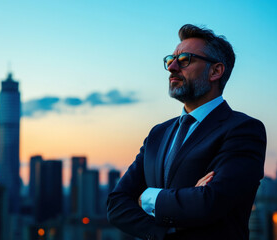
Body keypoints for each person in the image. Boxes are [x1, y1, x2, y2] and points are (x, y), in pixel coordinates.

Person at [107, 24, 266, 240]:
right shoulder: (158, 134)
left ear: (215, 71)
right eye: (170, 60)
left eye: (184, 60)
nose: (172, 67)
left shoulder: (243, 129)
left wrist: (146, 197)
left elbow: (209, 202)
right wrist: (163, 232)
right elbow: (116, 204)